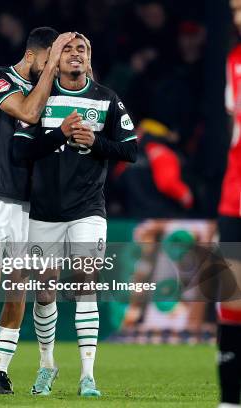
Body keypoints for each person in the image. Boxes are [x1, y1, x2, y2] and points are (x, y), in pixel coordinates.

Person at [12, 33, 137, 397]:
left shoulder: (105, 99)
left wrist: (95, 142)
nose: (75, 54)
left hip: (87, 209)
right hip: (45, 212)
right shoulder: (40, 98)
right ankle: (47, 365)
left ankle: (87, 376)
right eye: (67, 49)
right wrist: (60, 134)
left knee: (85, 281)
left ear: (89, 58)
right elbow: (20, 150)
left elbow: (131, 150)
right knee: (45, 289)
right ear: (54, 59)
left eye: (81, 49)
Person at [0, 27, 74, 395]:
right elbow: (27, 110)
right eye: (49, 62)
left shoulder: (53, 88)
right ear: (33, 56)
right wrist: (50, 71)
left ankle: (2, 371)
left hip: (32, 205)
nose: (53, 71)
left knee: (17, 288)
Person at [216, 5, 241, 405]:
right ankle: (229, 399)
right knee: (231, 297)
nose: (238, 17)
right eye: (235, 10)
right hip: (234, 198)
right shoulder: (233, 62)